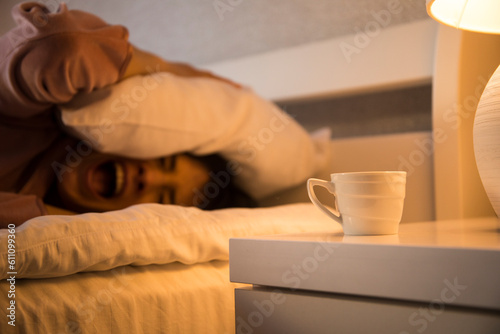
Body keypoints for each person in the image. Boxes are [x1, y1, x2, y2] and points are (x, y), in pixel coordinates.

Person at [0, 2, 253, 228]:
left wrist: (67, 225)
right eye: (162, 162)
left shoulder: (38, 238)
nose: (148, 178)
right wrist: (163, 67)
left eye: (163, 199)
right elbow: (61, 49)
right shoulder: (36, 117)